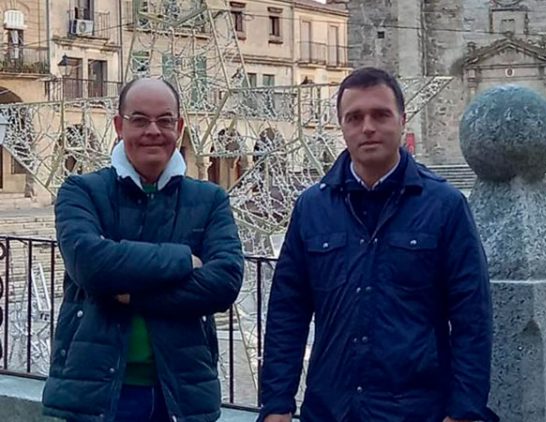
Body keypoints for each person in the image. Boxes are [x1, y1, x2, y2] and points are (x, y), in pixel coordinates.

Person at [258, 67, 497, 422]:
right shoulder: (311, 208)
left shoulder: (445, 206)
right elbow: (286, 313)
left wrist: (464, 410)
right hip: (331, 409)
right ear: (341, 125)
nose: (367, 127)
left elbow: (472, 318)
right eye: (354, 117)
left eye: (380, 115)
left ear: (402, 119)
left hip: (419, 410)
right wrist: (276, 404)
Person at [41, 78, 244, 422]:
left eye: (165, 120)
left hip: (181, 395)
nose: (153, 130)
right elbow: (90, 266)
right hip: (95, 395)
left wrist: (132, 295)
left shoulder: (210, 199)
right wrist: (183, 259)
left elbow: (224, 282)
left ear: (178, 128)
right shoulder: (81, 191)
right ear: (119, 126)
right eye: (139, 120)